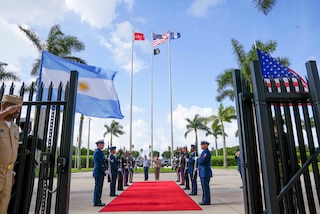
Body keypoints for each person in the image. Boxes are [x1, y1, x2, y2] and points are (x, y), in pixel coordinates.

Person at [8, 118, 43, 214]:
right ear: (30, 127)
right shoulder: (30, 138)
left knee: (16, 193)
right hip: (26, 168)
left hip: (16, 169)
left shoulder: (16, 136)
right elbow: (42, 146)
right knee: (25, 193)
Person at [0, 94, 23, 213]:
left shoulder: (15, 128)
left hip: (8, 173)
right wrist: (3, 113)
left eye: (19, 108)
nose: (17, 110)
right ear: (4, 106)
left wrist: (12, 171)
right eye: (13, 107)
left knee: (3, 206)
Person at [92, 139, 107, 207]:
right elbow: (99, 164)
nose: (103, 145)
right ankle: (96, 201)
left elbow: (103, 162)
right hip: (98, 172)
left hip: (100, 172)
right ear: (98, 145)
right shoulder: (97, 152)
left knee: (99, 187)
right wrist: (104, 170)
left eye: (103, 144)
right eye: (102, 144)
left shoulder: (100, 152)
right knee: (98, 187)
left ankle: (98, 200)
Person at [198, 140, 212, 205]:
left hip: (205, 172)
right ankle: (205, 199)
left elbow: (202, 161)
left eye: (202, 144)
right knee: (204, 187)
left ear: (206, 145)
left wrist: (197, 159)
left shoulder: (206, 152)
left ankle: (206, 200)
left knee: (205, 187)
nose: (201, 146)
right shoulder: (204, 152)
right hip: (203, 171)